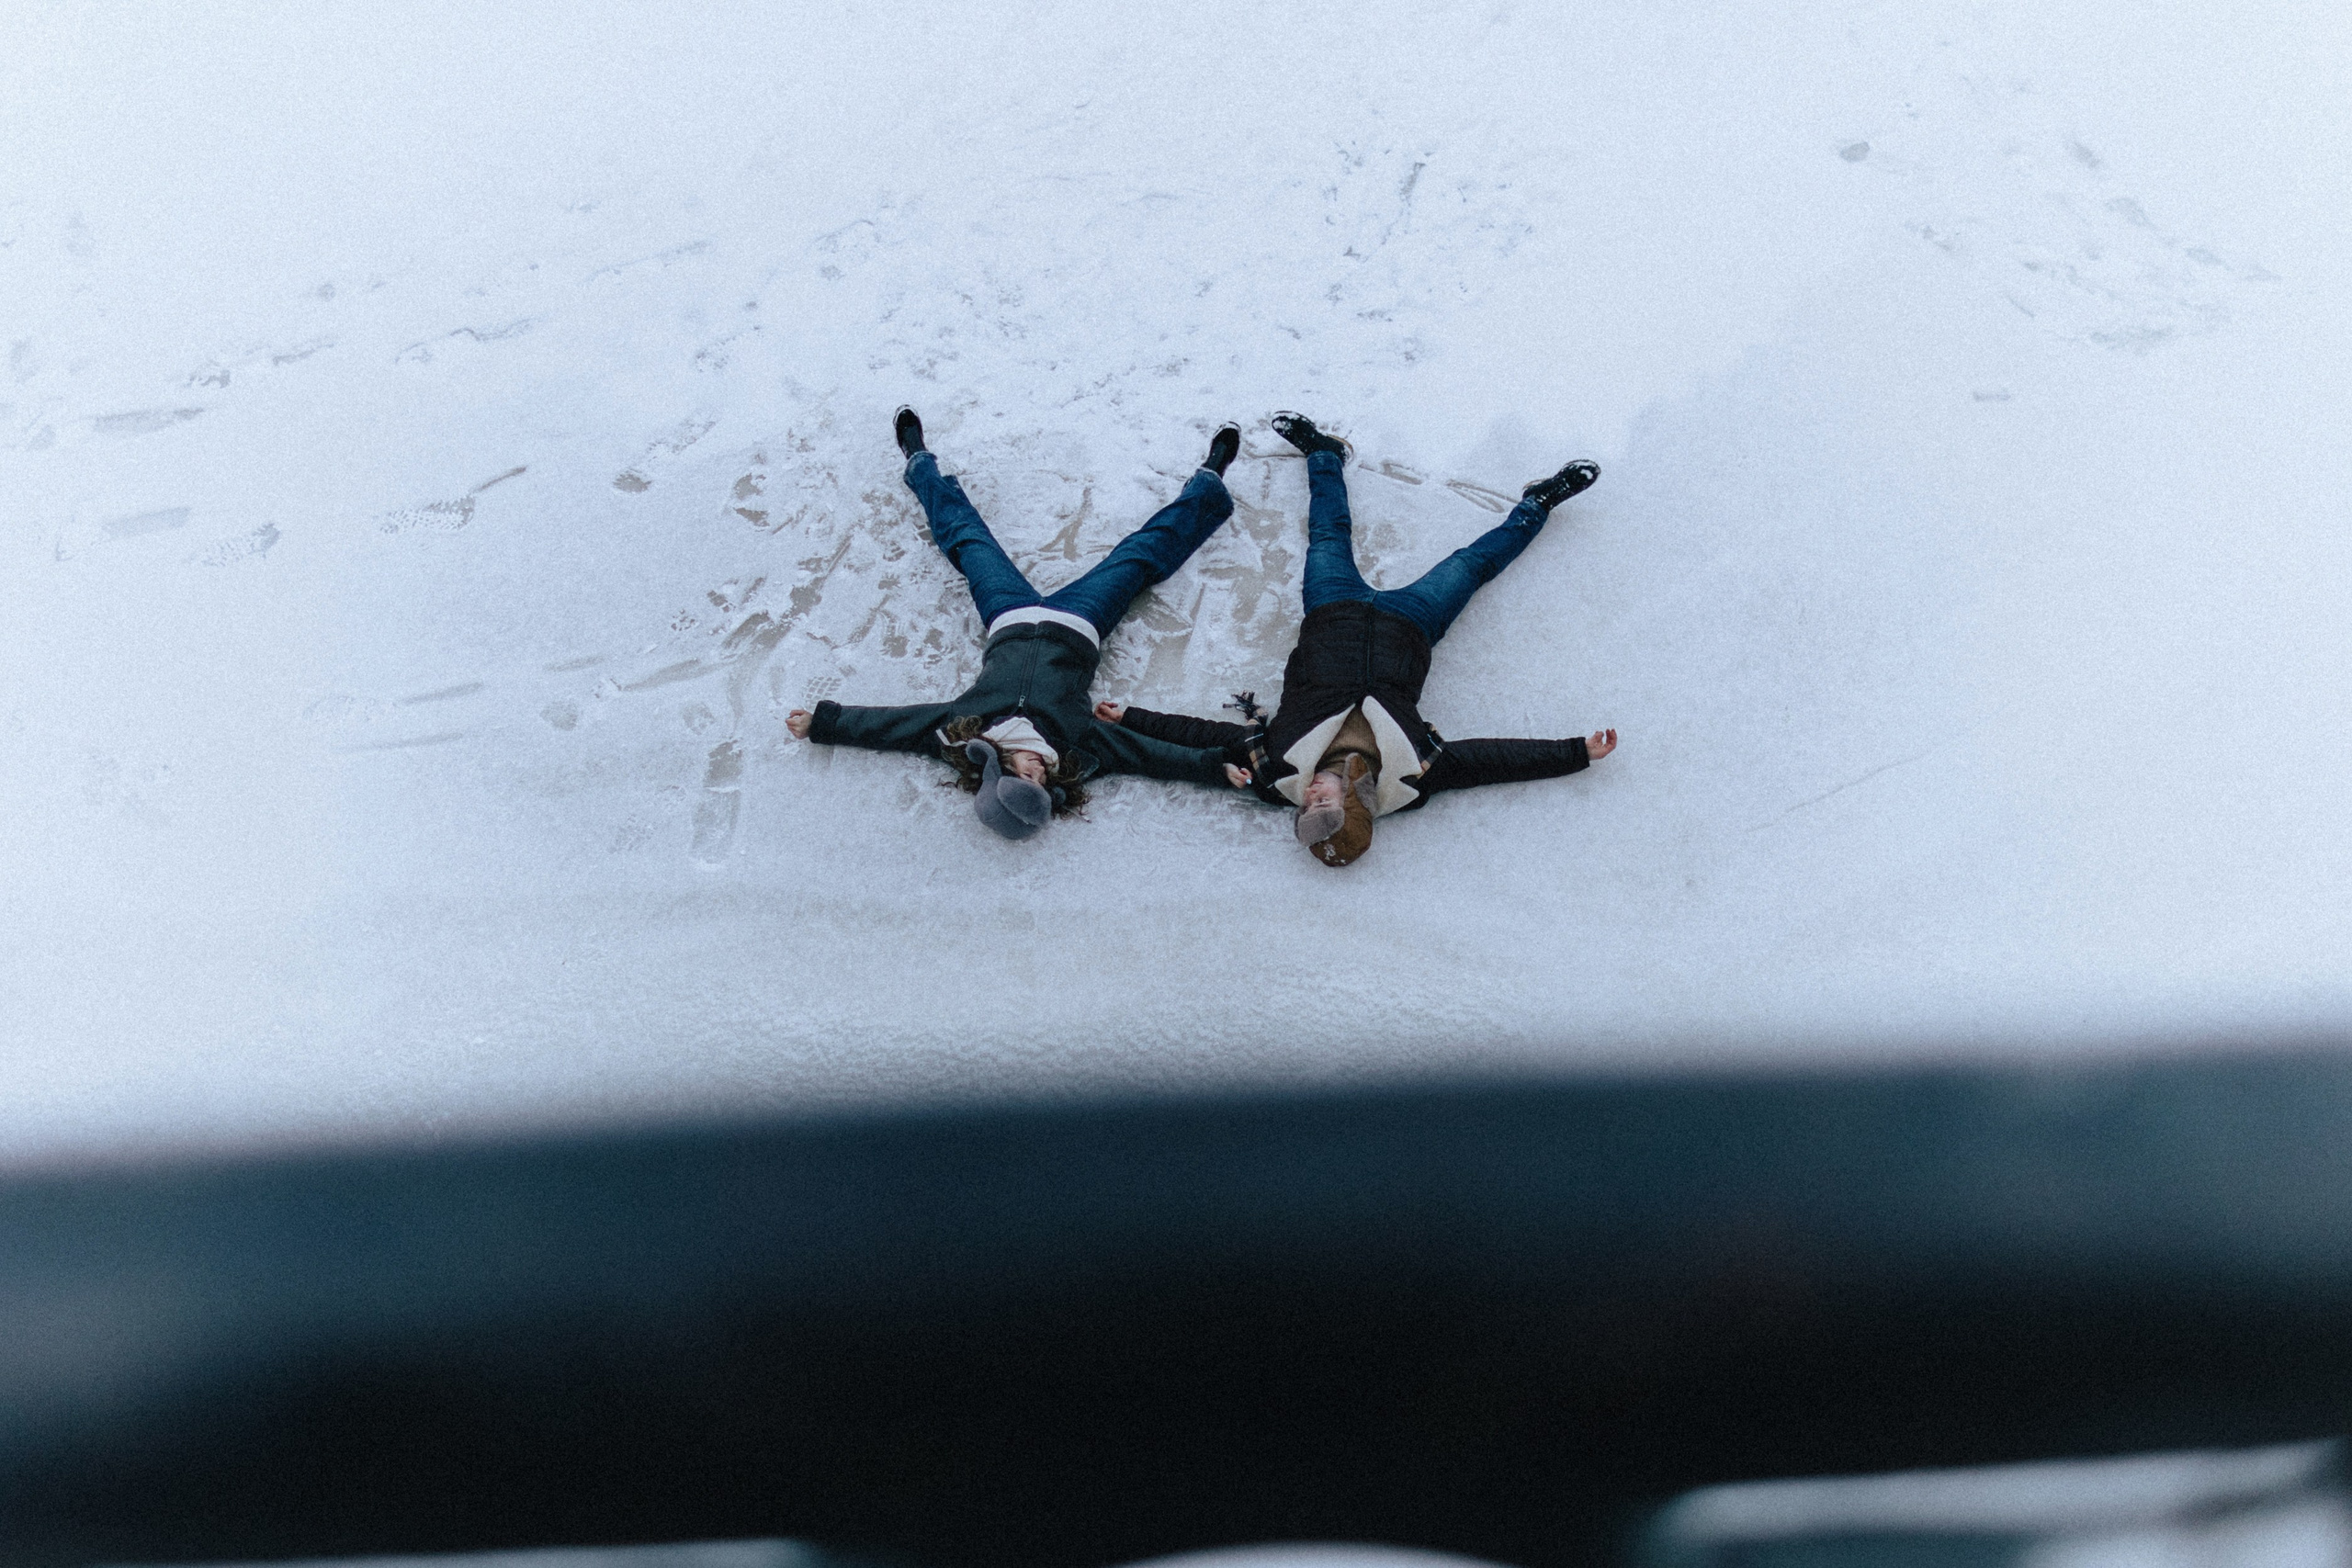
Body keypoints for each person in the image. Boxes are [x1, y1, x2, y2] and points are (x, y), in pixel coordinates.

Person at [1095, 412, 1617, 866]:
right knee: (1474, 564)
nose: (1312, 795)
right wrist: (1573, 752)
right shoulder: (1416, 775)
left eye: (1308, 807)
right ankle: (1538, 503)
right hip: (1412, 625)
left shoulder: (1274, 767)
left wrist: (1132, 717)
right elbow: (1490, 760)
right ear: (1354, 807)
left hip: (1332, 612)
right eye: (1324, 805)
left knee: (1326, 534)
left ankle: (1324, 455)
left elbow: (1203, 737)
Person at [786, 408, 1254, 840]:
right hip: (1080, 620)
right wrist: (1213, 768)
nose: (1037, 771)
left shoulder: (959, 732)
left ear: (996, 771)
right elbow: (1151, 756)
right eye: (1041, 781)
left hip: (1008, 616)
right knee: (1139, 557)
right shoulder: (1080, 748)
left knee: (969, 542)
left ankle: (918, 461)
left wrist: (827, 723)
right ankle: (1210, 481)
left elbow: (894, 727)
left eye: (1023, 775)